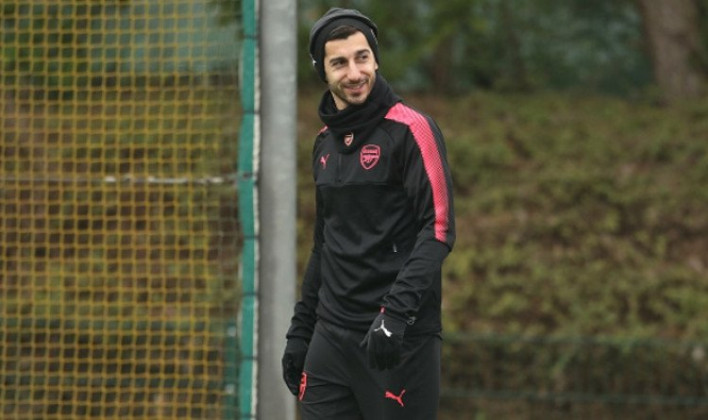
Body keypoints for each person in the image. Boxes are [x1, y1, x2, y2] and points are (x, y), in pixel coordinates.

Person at [281, 7, 455, 420]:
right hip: (331, 335)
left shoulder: (412, 130)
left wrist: (396, 314)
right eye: (339, 63)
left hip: (396, 338)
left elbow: (439, 228)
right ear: (322, 71)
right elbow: (323, 245)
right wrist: (301, 330)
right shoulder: (323, 143)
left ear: (376, 59)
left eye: (362, 58)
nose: (354, 73)